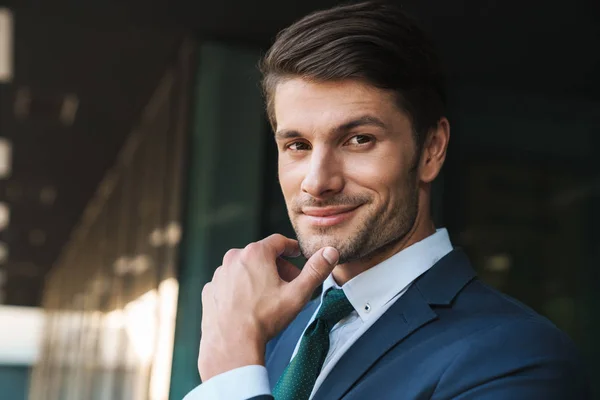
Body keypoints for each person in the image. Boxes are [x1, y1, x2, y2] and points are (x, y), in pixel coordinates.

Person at [183, 2, 590, 399]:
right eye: (298, 145)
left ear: (431, 149)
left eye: (359, 140)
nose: (317, 181)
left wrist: (232, 382)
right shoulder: (271, 337)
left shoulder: (518, 355)